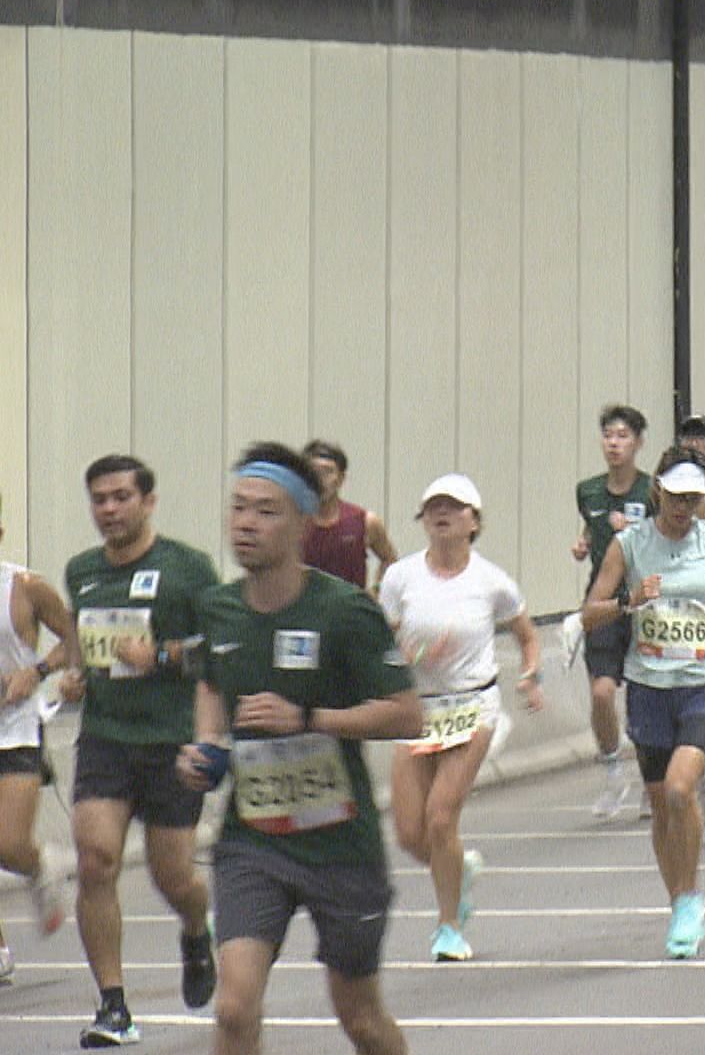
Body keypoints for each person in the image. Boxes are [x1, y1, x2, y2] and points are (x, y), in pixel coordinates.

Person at [178, 444, 423, 1055]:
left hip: (340, 845)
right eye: (238, 508)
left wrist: (309, 718)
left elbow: (407, 714)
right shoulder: (218, 609)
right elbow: (211, 682)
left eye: (266, 511)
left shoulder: (344, 612)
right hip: (253, 841)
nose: (246, 524)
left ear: (305, 521)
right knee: (234, 1008)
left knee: (361, 1018)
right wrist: (205, 746)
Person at [63, 454, 221, 1047]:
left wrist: (158, 657)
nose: (109, 509)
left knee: (173, 876)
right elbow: (84, 644)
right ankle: (113, 1006)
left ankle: (195, 929)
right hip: (106, 736)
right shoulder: (81, 571)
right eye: (99, 499)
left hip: (171, 740)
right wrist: (76, 676)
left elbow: (219, 650)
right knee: (95, 859)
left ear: (148, 501)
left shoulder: (187, 569)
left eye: (121, 497)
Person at [583, 448, 705, 956]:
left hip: (704, 681)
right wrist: (629, 602)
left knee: (682, 788)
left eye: (694, 500)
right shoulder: (629, 545)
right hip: (649, 686)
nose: (683, 508)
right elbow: (590, 612)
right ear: (658, 492)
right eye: (676, 498)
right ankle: (679, 901)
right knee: (661, 806)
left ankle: (693, 897)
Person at [380, 474, 544, 963]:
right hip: (417, 708)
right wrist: (400, 652)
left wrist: (530, 675)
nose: (441, 515)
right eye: (433, 508)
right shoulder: (400, 577)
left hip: (472, 706)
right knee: (410, 833)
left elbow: (528, 636)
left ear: (474, 521)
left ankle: (449, 926)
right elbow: (380, 641)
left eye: (453, 508)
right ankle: (457, 867)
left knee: (440, 815)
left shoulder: (492, 581)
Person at [0, 532, 79, 977]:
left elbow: (75, 636)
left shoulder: (25, 588)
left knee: (8, 842)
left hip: (17, 731)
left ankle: (39, 865)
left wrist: (39, 670)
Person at [571, 405, 653, 820]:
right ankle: (612, 770)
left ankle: (650, 782)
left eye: (623, 436)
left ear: (638, 442)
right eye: (608, 436)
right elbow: (591, 524)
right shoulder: (588, 491)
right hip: (602, 602)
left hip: (644, 600)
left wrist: (633, 534)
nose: (614, 443)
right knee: (602, 691)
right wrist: (584, 543)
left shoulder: (652, 491)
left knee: (642, 698)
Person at [299, 441, 398, 594]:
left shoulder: (364, 521)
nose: (320, 479)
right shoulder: (292, 522)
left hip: (352, 614)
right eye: (314, 472)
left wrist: (374, 593)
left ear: (341, 478)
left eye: (327, 472)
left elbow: (390, 559)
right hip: (303, 614)